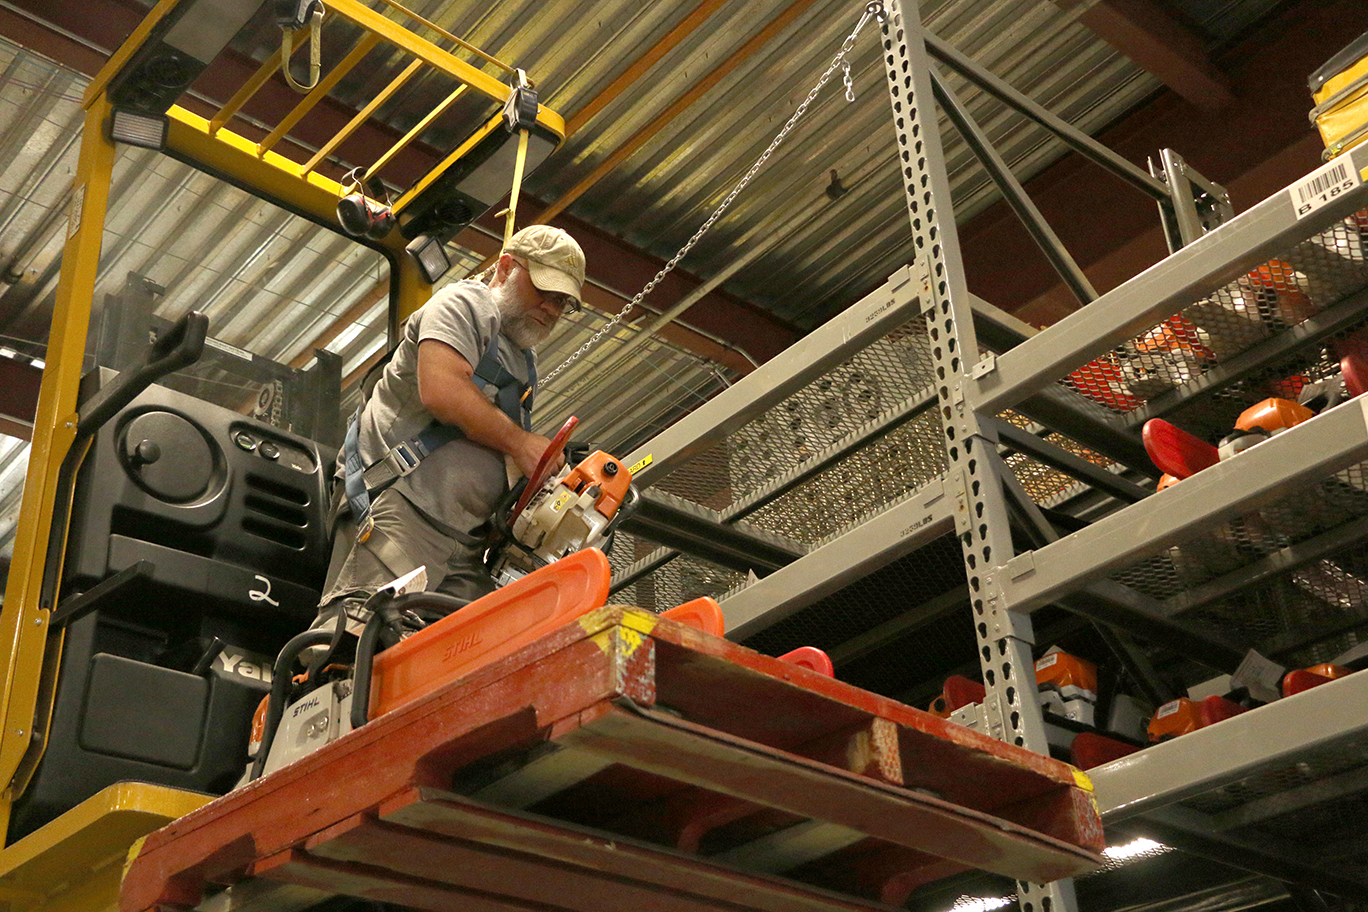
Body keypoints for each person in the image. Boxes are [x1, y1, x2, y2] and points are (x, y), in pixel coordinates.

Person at [311, 225, 586, 640]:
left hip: (466, 545)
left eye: (563, 302)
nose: (551, 307)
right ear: (507, 267)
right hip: (404, 511)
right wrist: (521, 443)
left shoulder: (524, 362)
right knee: (361, 641)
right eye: (544, 289)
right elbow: (442, 391)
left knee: (472, 660)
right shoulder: (464, 304)